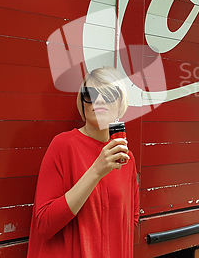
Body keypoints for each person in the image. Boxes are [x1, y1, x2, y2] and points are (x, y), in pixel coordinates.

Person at [27, 67, 139, 258]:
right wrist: (97, 170)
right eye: (91, 94)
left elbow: (131, 219)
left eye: (109, 94)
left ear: (120, 102)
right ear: (83, 102)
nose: (100, 99)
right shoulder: (63, 145)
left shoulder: (126, 157)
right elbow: (44, 224)